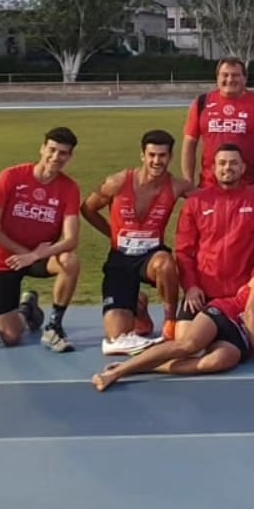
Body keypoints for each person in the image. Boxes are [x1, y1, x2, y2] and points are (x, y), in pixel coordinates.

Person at [93, 243, 254, 390]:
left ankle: (145, 366)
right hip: (228, 313)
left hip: (243, 341)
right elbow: (251, 313)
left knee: (214, 363)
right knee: (189, 345)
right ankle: (117, 373)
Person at [81, 129, 197, 356]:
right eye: (152, 155)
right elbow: (87, 208)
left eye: (162, 156)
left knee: (165, 263)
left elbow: (210, 201)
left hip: (151, 258)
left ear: (170, 157)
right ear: (142, 155)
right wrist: (111, 234)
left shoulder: (177, 186)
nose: (157, 161)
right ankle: (139, 307)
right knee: (117, 339)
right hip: (120, 259)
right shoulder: (117, 182)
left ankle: (169, 323)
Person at [0, 127, 82, 352]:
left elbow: (71, 239)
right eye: (52, 150)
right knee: (10, 337)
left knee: (70, 261)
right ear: (42, 148)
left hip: (41, 256)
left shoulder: (69, 188)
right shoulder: (11, 176)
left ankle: (54, 325)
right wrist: (23, 254)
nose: (56, 157)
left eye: (63, 153)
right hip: (5, 258)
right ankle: (28, 310)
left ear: (70, 157)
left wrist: (34, 255)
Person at [174, 144, 254, 316]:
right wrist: (191, 286)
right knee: (185, 338)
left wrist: (253, 285)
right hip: (202, 293)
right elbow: (184, 251)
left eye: (234, 163)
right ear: (213, 168)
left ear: (243, 168)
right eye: (222, 163)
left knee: (223, 342)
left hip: (242, 293)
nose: (228, 167)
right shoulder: (196, 202)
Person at [181, 58, 254, 190]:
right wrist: (188, 181)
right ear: (217, 78)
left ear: (245, 79)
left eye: (235, 75)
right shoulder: (202, 103)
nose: (230, 79)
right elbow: (189, 143)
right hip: (209, 186)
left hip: (248, 188)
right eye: (225, 75)